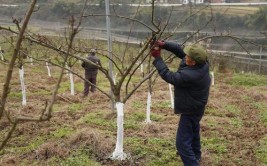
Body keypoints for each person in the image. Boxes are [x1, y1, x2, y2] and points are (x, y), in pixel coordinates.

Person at [150, 40, 211, 166]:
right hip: (197, 105)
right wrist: (164, 44)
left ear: (193, 62)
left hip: (191, 109)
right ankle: (196, 156)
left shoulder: (190, 75)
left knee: (182, 143)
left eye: (188, 57)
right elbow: (180, 50)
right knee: (193, 131)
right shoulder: (202, 63)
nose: (185, 56)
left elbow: (169, 76)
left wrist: (157, 58)